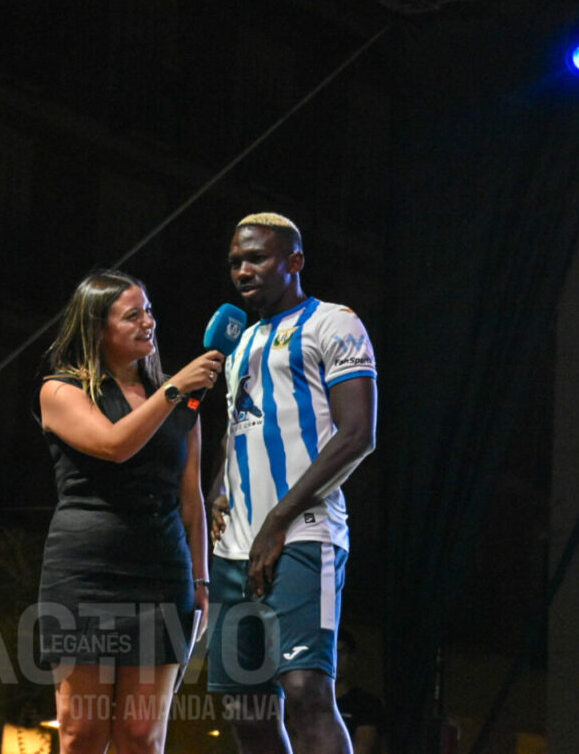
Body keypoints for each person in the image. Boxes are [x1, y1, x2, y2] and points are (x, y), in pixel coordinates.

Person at [206, 213, 377, 754]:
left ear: (294, 262)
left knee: (305, 690)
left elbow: (357, 434)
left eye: (256, 258)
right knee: (247, 708)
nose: (243, 270)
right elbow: (244, 426)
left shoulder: (334, 322)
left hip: (303, 533)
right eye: (235, 261)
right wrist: (217, 487)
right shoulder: (240, 341)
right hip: (234, 546)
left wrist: (278, 518)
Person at [37, 269, 225, 754]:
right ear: (98, 329)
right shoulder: (61, 391)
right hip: (85, 572)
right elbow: (113, 444)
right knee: (82, 734)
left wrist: (202, 582)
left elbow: (192, 500)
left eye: (149, 311)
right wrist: (174, 389)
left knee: (141, 736)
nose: (149, 323)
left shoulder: (183, 406)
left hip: (161, 573)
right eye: (132, 315)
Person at [334, 630, 384, 754]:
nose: (336, 658)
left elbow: (363, 747)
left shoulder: (367, 704)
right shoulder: (309, 702)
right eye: (332, 652)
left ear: (351, 658)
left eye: (342, 652)